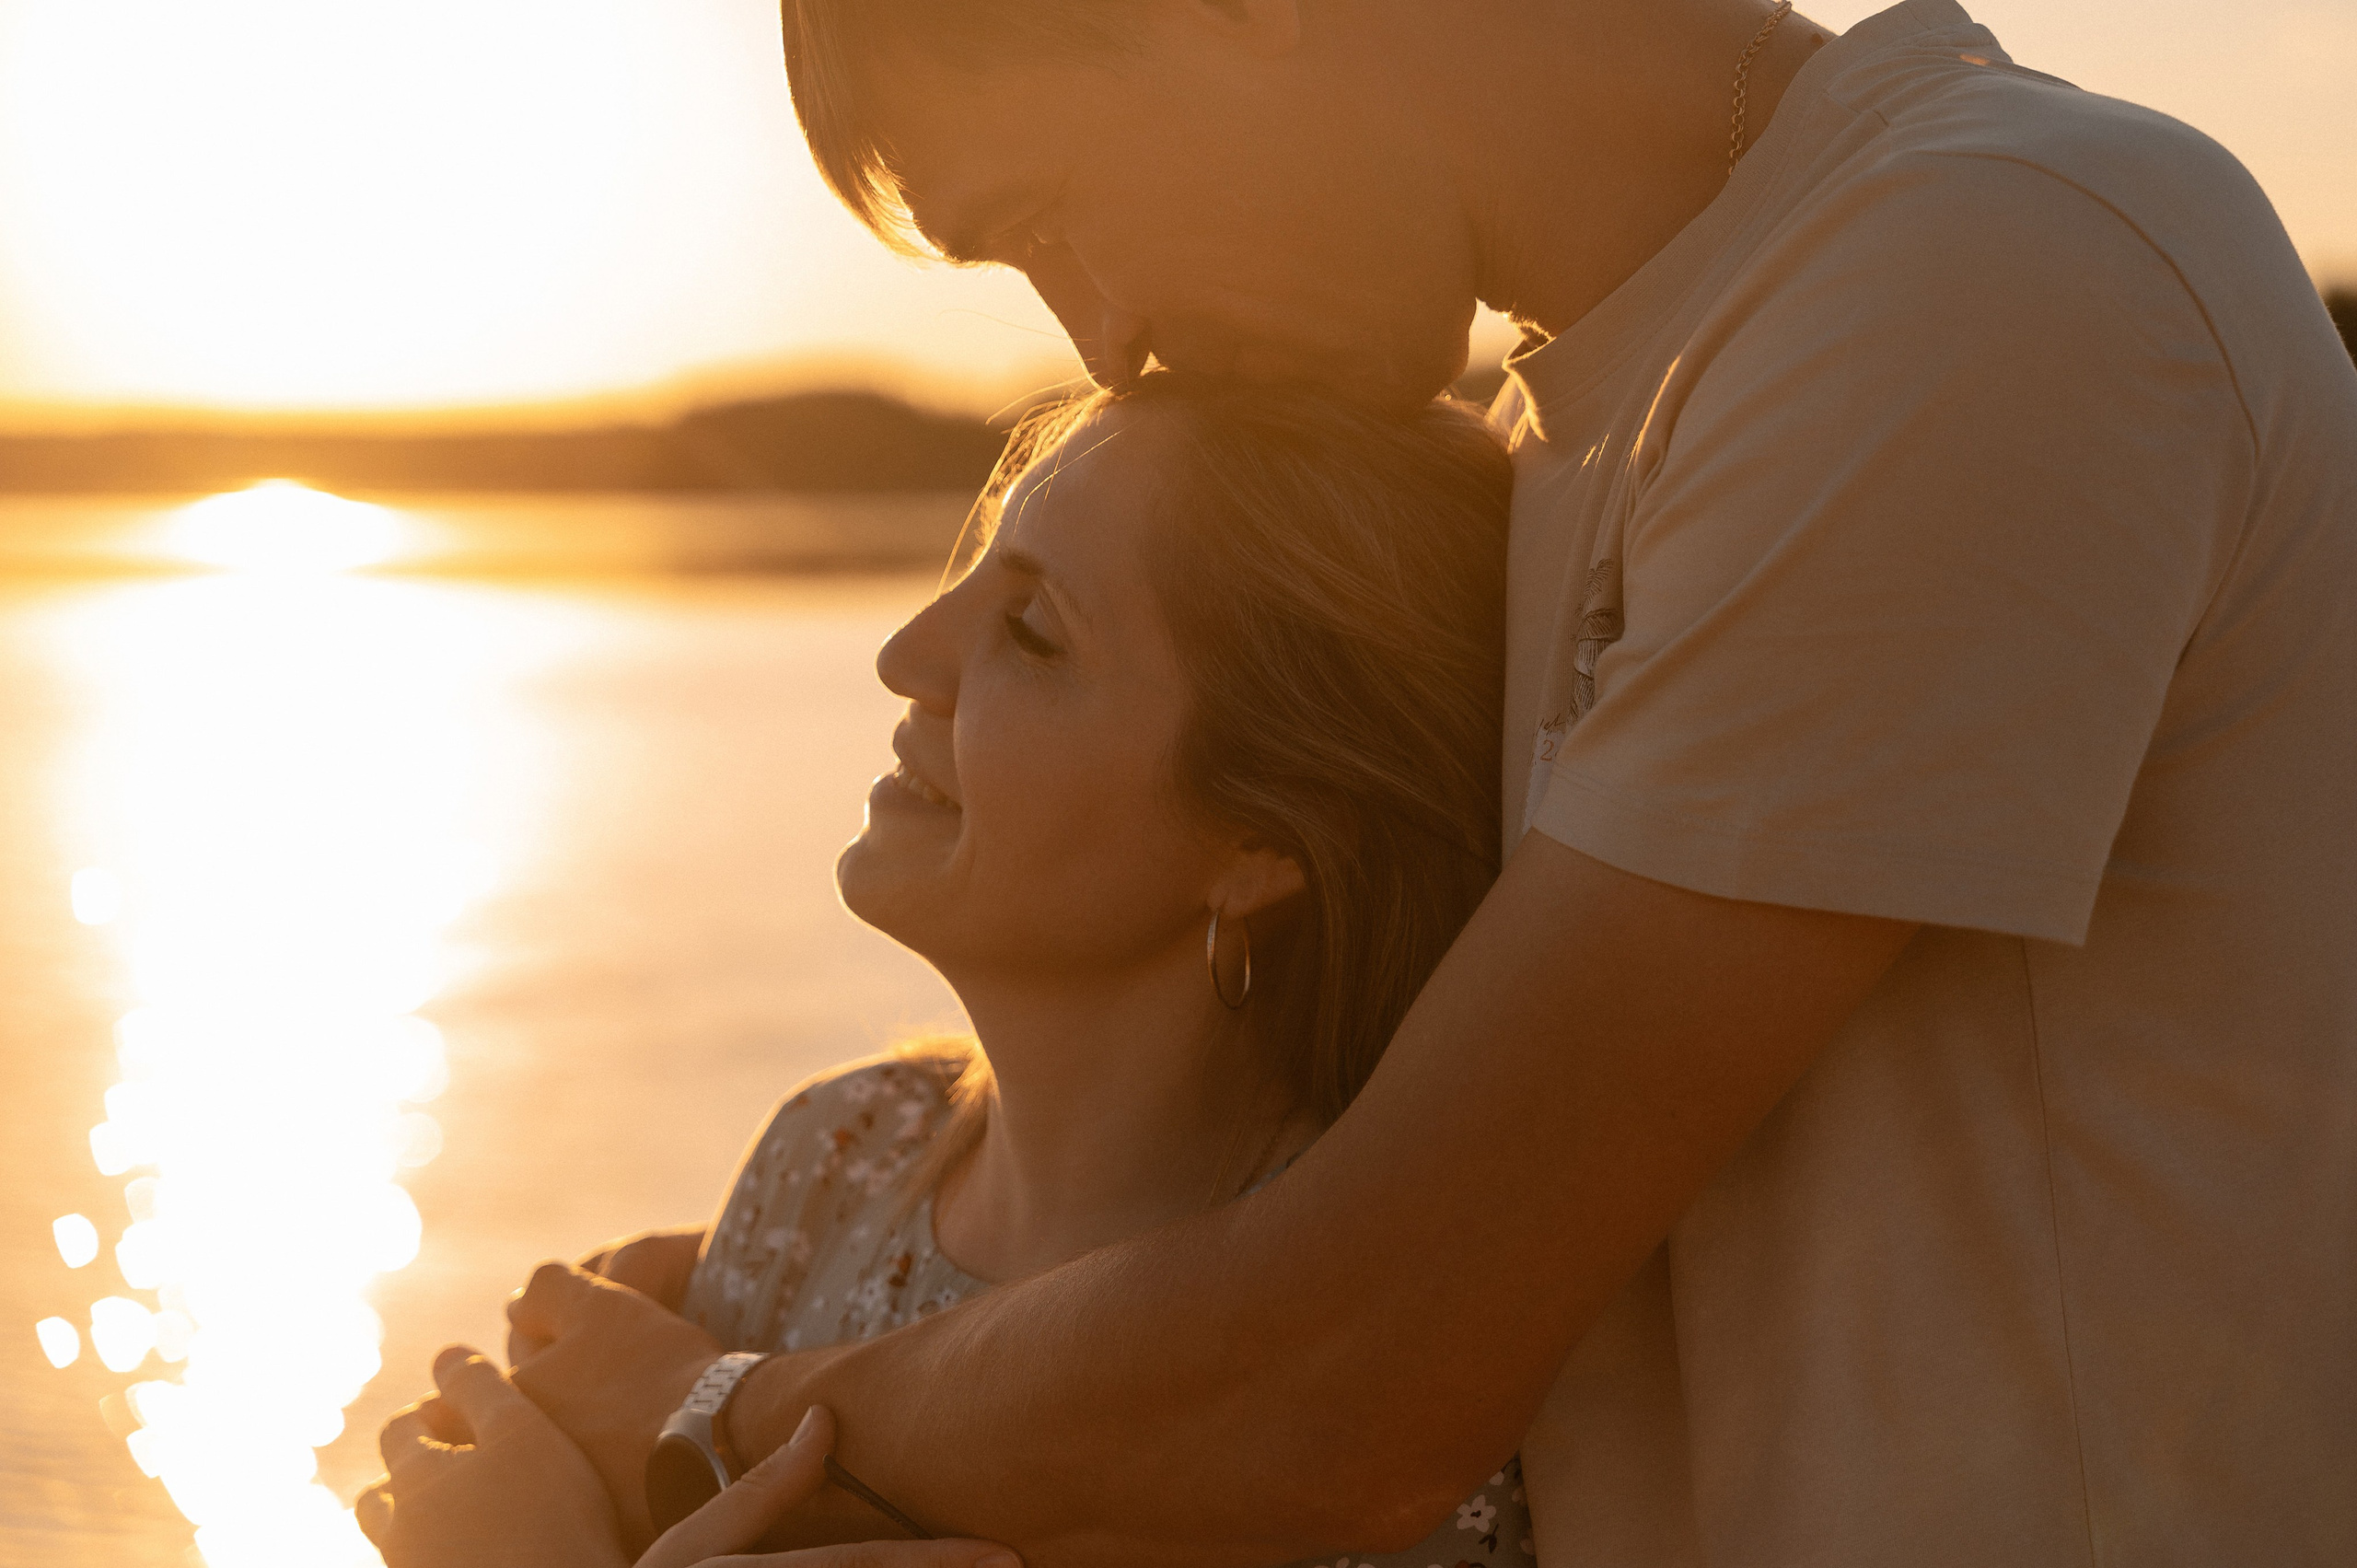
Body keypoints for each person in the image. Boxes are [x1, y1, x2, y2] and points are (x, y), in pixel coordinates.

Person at [390, 1, 2357, 1562]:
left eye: (1052, 212)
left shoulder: (1972, 276)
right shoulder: (1598, 428)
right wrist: (824, 1271)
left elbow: (1342, 1382)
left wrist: (705, 1419)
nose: (1104, 337)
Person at [366, 374, 1529, 1565]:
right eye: (967, 571)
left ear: (1262, 842)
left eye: (1032, 631)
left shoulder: (1380, 1374)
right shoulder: (830, 1164)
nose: (906, 650)